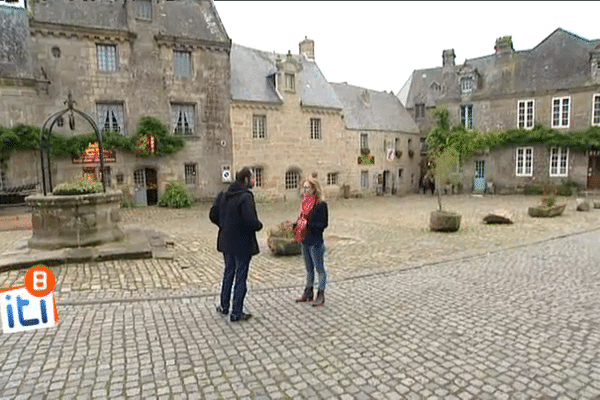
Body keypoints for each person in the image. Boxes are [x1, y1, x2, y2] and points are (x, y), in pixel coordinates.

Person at [209, 167, 263, 322]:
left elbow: (213, 214)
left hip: (227, 241)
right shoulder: (245, 197)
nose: (254, 181)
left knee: (229, 273)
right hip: (242, 243)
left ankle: (224, 306)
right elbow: (249, 220)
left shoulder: (224, 194)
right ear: (246, 180)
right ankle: (236, 312)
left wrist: (224, 225)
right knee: (240, 277)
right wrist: (258, 225)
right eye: (252, 178)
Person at [293, 176, 329, 306]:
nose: (305, 190)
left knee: (320, 269)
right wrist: (295, 225)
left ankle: (321, 293)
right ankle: (308, 292)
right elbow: (301, 219)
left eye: (307, 187)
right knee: (309, 269)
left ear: (314, 189)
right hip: (305, 240)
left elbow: (323, 224)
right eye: (304, 187)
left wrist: (308, 224)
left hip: (316, 241)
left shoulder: (321, 205)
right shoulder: (304, 204)